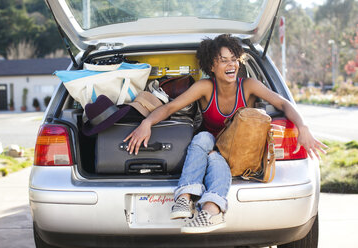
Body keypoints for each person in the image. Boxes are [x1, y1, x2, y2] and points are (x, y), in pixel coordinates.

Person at [124, 34, 327, 234]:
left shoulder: (248, 86)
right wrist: (147, 122)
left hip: (238, 153)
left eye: (234, 59)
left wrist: (303, 127)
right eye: (223, 60)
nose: (231, 65)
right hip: (210, 149)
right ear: (211, 66)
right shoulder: (205, 87)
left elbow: (283, 103)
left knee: (213, 152)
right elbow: (171, 107)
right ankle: (193, 203)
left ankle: (198, 203)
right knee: (206, 142)